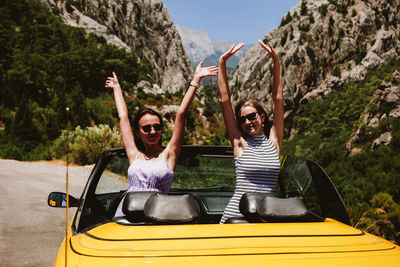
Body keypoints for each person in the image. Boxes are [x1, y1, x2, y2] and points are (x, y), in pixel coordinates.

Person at [106, 62, 218, 217]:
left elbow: (181, 114)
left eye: (157, 127)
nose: (153, 131)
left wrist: (195, 80)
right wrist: (117, 88)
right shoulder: (134, 154)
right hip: (125, 216)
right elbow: (123, 117)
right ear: (137, 133)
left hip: (157, 216)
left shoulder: (169, 155)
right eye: (146, 128)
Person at [218, 41, 284, 223]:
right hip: (236, 217)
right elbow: (225, 100)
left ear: (262, 117)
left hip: (267, 217)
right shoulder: (240, 143)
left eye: (252, 116)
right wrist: (222, 62)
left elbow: (278, 99)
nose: (248, 122)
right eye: (242, 119)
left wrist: (276, 61)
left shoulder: (274, 141)